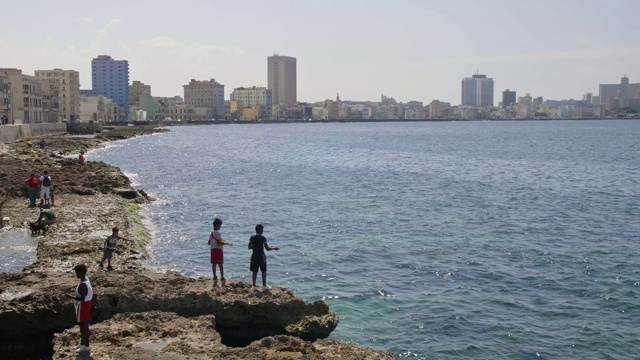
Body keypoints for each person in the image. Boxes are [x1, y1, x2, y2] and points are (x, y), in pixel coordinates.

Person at [67, 264, 93, 354]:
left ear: (82, 272)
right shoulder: (86, 280)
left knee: (83, 326)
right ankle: (83, 342)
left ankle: (85, 346)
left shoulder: (83, 285)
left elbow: (81, 299)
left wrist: (70, 296)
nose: (76, 274)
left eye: (77, 272)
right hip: (85, 305)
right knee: (84, 325)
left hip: (83, 306)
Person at [248, 224, 279, 290]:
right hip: (261, 256)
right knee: (263, 271)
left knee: (254, 271)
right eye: (262, 230)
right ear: (260, 230)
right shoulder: (263, 238)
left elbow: (249, 247)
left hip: (254, 256)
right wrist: (274, 248)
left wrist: (255, 247)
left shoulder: (252, 237)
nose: (262, 231)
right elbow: (267, 248)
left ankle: (253, 286)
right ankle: (264, 286)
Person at [208, 218, 233, 287]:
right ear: (216, 225)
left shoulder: (211, 233)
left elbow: (209, 242)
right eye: (219, 225)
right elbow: (219, 243)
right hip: (218, 250)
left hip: (212, 249)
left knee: (214, 264)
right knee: (220, 264)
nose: (220, 227)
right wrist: (226, 243)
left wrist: (213, 243)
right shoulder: (218, 233)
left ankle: (215, 277)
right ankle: (222, 277)